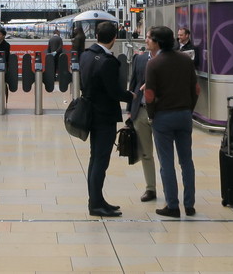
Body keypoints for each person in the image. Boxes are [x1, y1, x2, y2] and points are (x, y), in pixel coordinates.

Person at [144, 25, 199, 217]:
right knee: (186, 161)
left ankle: (172, 205)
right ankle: (190, 204)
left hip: (163, 117)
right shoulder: (186, 60)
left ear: (158, 42)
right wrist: (188, 109)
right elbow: (196, 89)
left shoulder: (154, 64)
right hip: (184, 115)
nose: (146, 40)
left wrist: (151, 114)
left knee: (166, 162)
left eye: (149, 37)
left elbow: (149, 94)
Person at [80, 21, 132, 217]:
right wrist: (131, 96)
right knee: (101, 161)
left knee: (96, 159)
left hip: (92, 114)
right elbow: (114, 92)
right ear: (114, 38)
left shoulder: (86, 55)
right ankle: (95, 204)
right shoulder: (107, 61)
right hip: (104, 116)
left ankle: (97, 199)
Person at [126, 39, 156, 203]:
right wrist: (130, 109)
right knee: (146, 152)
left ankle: (170, 190)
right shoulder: (140, 59)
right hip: (141, 110)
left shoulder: (167, 60)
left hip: (160, 114)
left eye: (149, 38)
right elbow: (134, 84)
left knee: (166, 155)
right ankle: (150, 188)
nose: (146, 41)